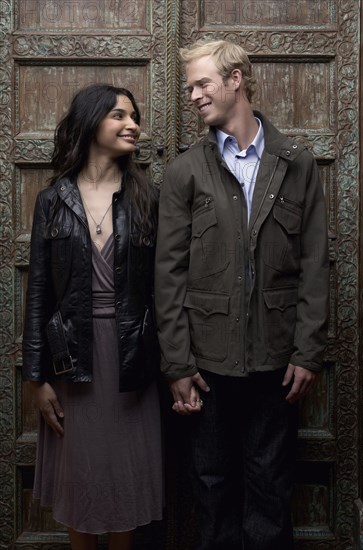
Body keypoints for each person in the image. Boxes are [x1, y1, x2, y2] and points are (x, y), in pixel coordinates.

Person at [155, 40, 329, 550]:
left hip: (276, 364)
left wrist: (308, 351)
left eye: (202, 83)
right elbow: (168, 275)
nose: (192, 95)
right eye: (189, 86)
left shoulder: (295, 162)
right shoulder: (185, 170)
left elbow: (315, 266)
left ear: (236, 81)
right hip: (205, 366)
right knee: (211, 491)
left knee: (271, 491)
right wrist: (177, 365)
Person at [23, 84, 163, 550]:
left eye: (135, 116)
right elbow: (39, 293)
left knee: (125, 476)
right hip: (71, 361)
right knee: (79, 479)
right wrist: (36, 376)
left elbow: (164, 289)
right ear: (91, 122)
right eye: (120, 115)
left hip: (130, 357)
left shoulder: (148, 197)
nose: (133, 125)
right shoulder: (53, 200)